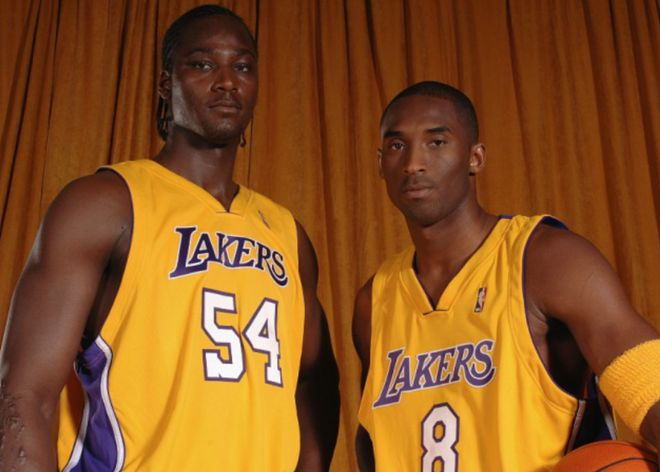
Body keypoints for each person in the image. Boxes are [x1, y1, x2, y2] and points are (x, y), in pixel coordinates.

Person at [0, 5, 339, 471]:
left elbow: (314, 386)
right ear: (166, 84)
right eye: (203, 64)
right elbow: (24, 395)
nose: (227, 81)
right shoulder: (105, 204)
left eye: (242, 67)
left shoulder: (286, 234)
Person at [353, 81, 660, 471]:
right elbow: (373, 438)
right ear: (380, 163)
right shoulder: (375, 301)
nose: (413, 163)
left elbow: (648, 386)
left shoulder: (548, 260)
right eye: (398, 146)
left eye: (437, 142)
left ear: (475, 157)